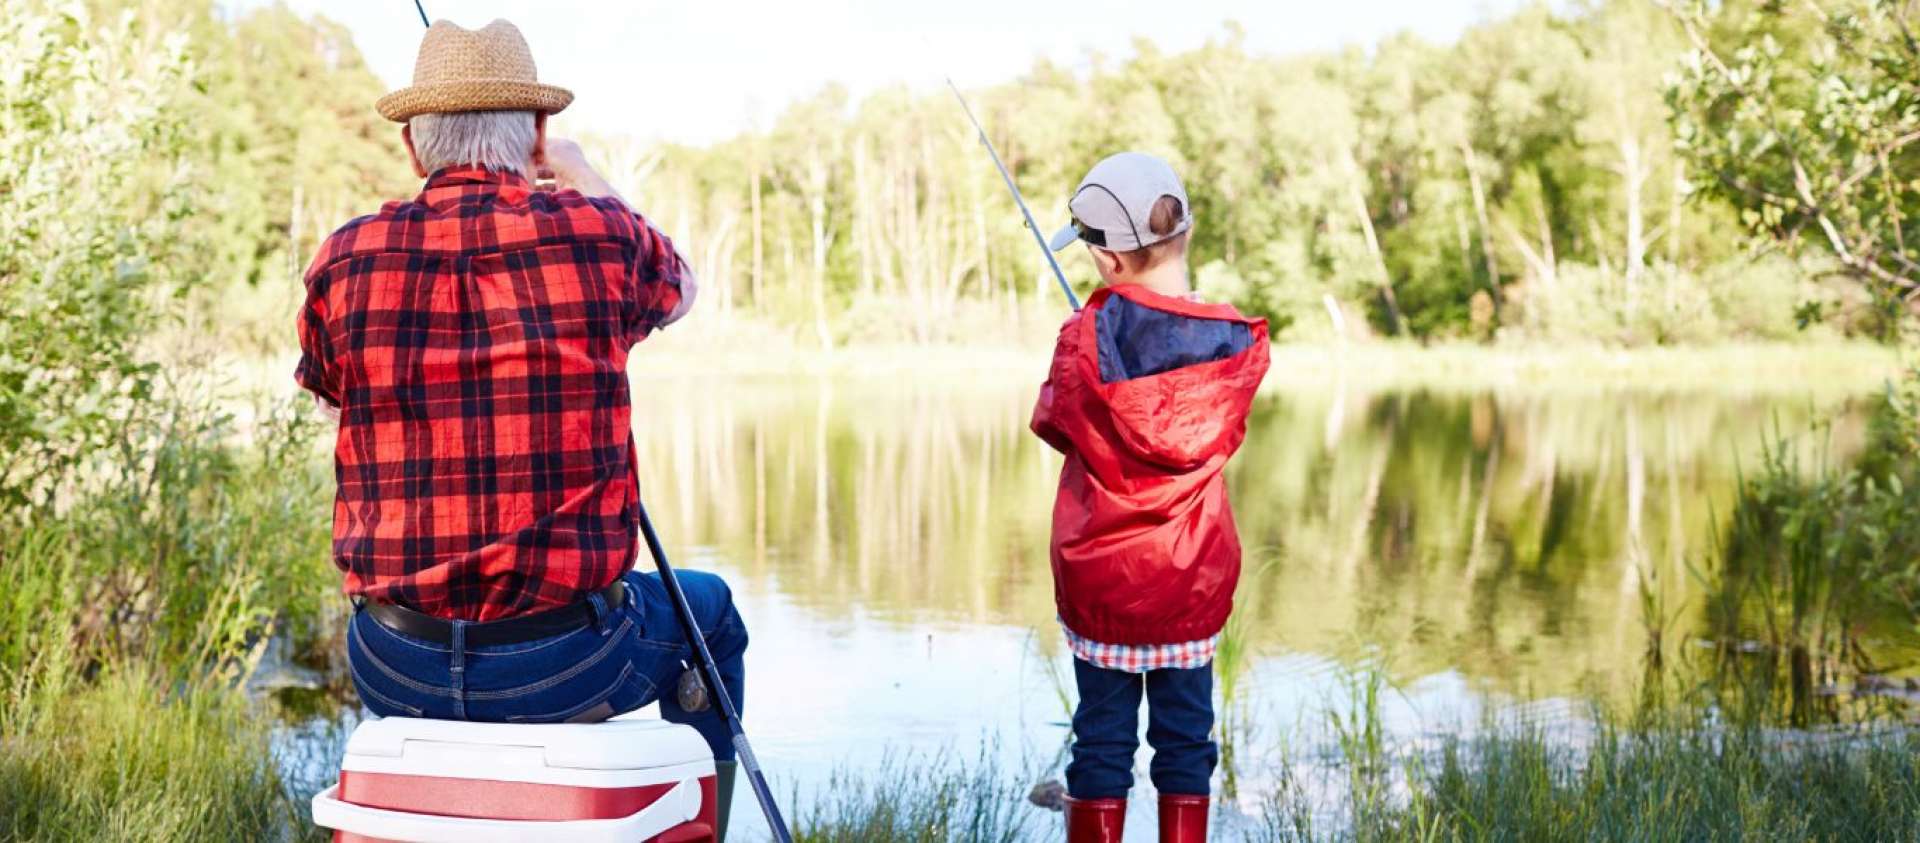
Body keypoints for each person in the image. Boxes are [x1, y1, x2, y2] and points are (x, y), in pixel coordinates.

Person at [293, 19, 746, 836]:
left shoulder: (344, 260)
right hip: (567, 662)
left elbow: (328, 398)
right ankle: (701, 817)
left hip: (396, 661)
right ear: (537, 135)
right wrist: (583, 175)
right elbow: (681, 287)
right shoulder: (598, 234)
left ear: (412, 145)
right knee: (710, 613)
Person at [1031, 152, 1271, 843]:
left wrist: (1094, 334)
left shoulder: (1082, 338)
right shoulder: (1232, 341)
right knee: (1186, 742)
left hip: (1104, 583)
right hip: (1191, 581)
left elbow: (1053, 422)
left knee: (1101, 745)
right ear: (1184, 231)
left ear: (1107, 262)